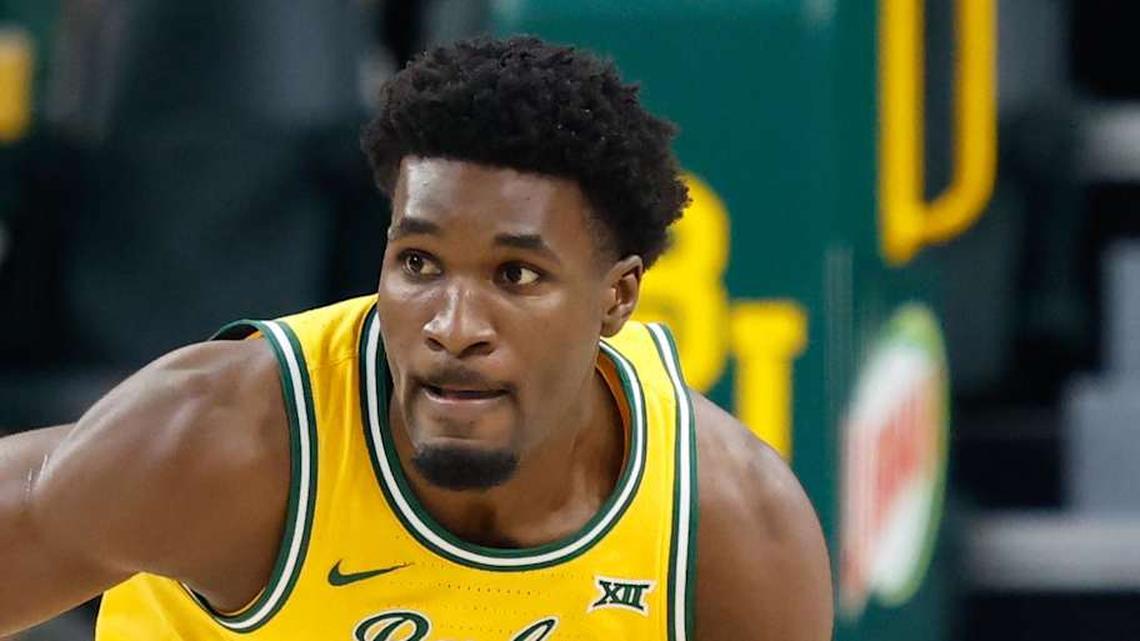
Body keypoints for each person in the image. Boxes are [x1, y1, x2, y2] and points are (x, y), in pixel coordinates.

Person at [0, 36, 832, 640]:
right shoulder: (229, 440)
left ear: (616, 300)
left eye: (515, 276)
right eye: (421, 263)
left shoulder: (727, 529)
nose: (453, 327)